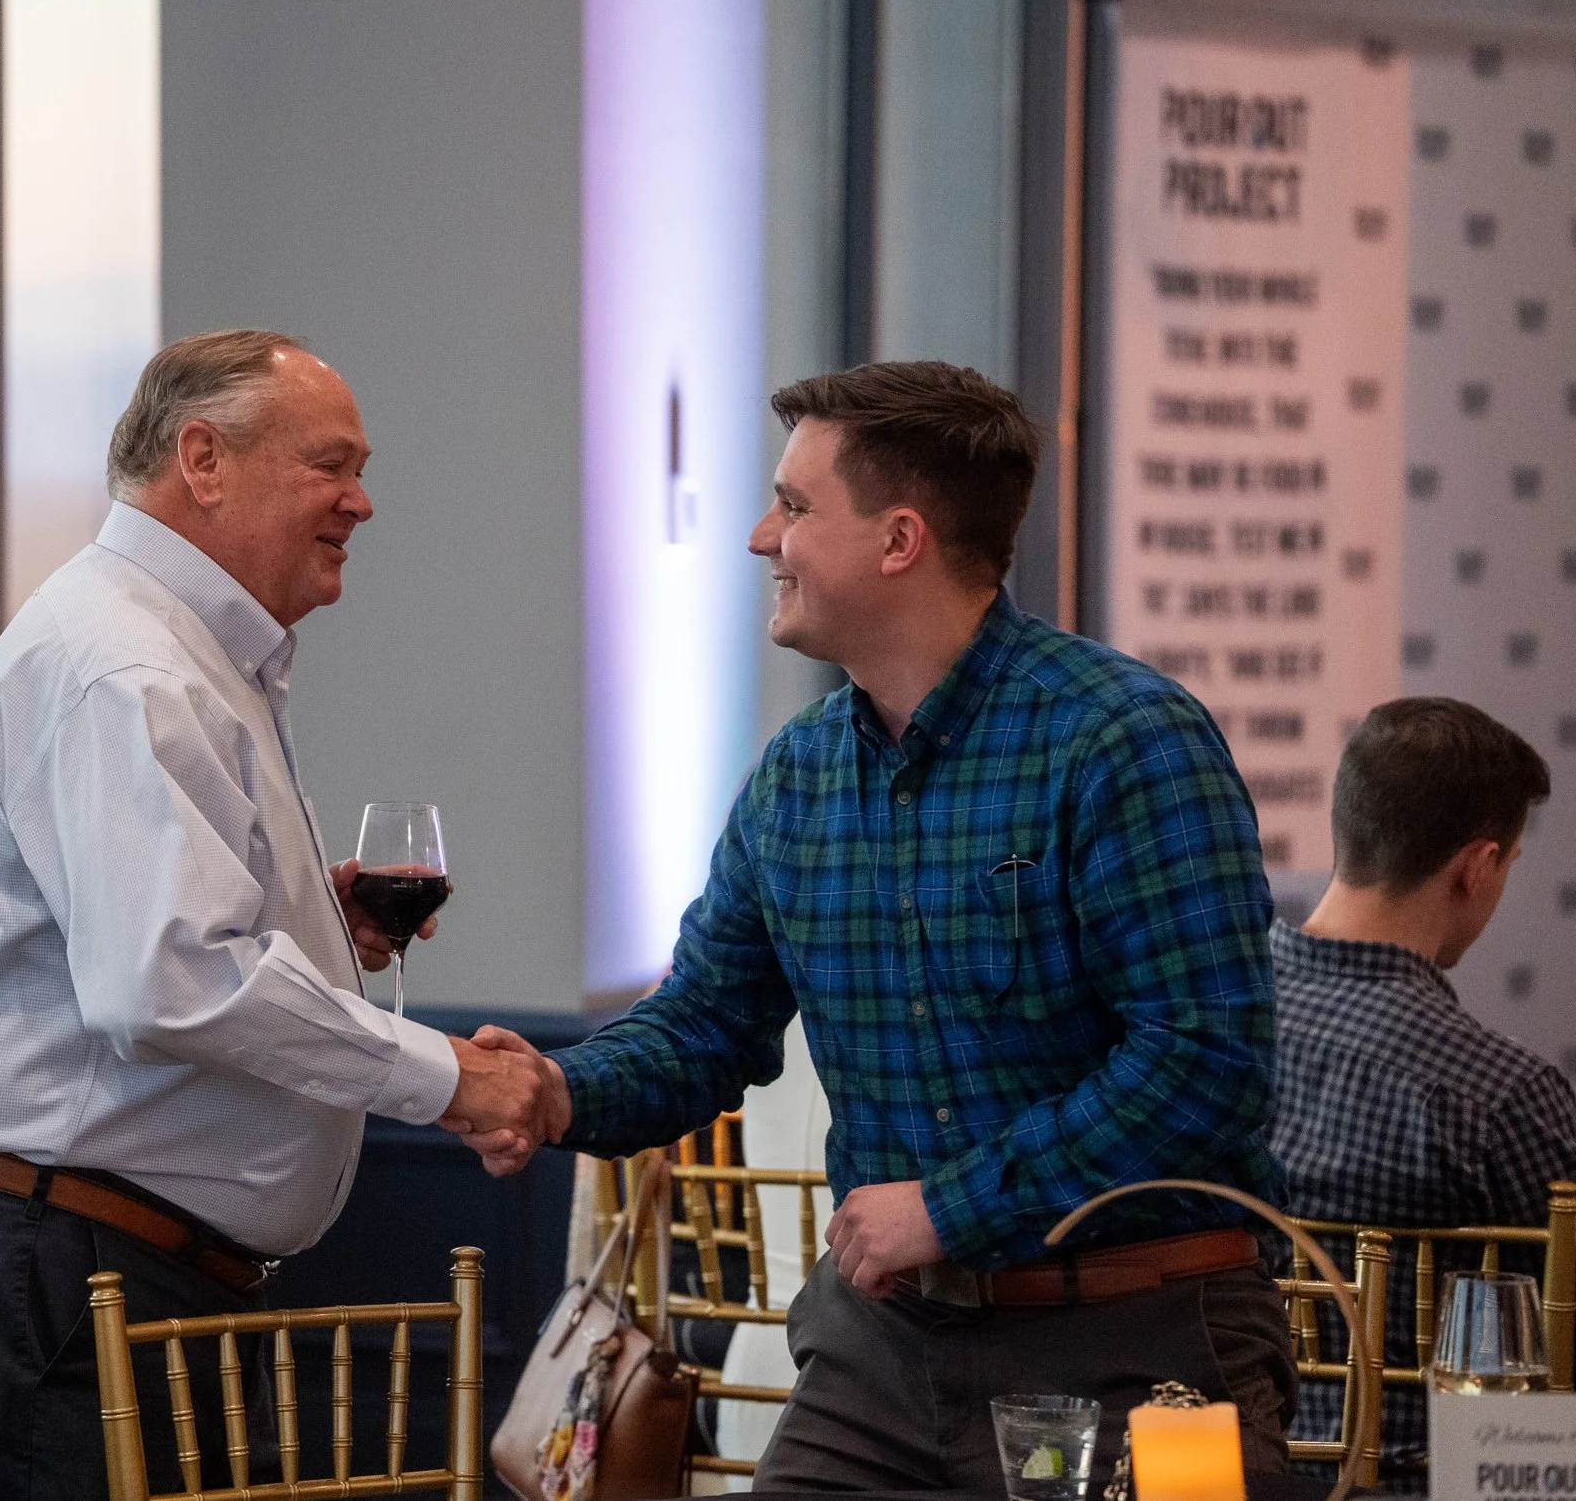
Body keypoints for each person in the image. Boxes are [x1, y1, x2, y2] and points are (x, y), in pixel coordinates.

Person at [460, 360, 1295, 1491]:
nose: (762, 536)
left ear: (899, 540)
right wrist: (561, 1091)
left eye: (795, 507)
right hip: (884, 1356)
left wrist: (952, 1207)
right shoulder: (797, 778)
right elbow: (708, 1022)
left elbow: (1206, 1063)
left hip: (1138, 1350)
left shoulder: (1124, 741)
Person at [0, 328, 544, 1501]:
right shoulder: (129, 667)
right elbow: (168, 982)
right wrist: (451, 1075)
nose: (363, 501)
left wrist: (314, 924)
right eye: (330, 463)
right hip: (71, 1275)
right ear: (202, 457)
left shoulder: (168, 648)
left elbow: (154, 942)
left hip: (101, 1267)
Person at [1266, 696, 1576, 1479]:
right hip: (1442, 1481)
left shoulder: (1209, 1028)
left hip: (1246, 1463)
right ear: (1477, 865)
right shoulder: (1498, 1093)